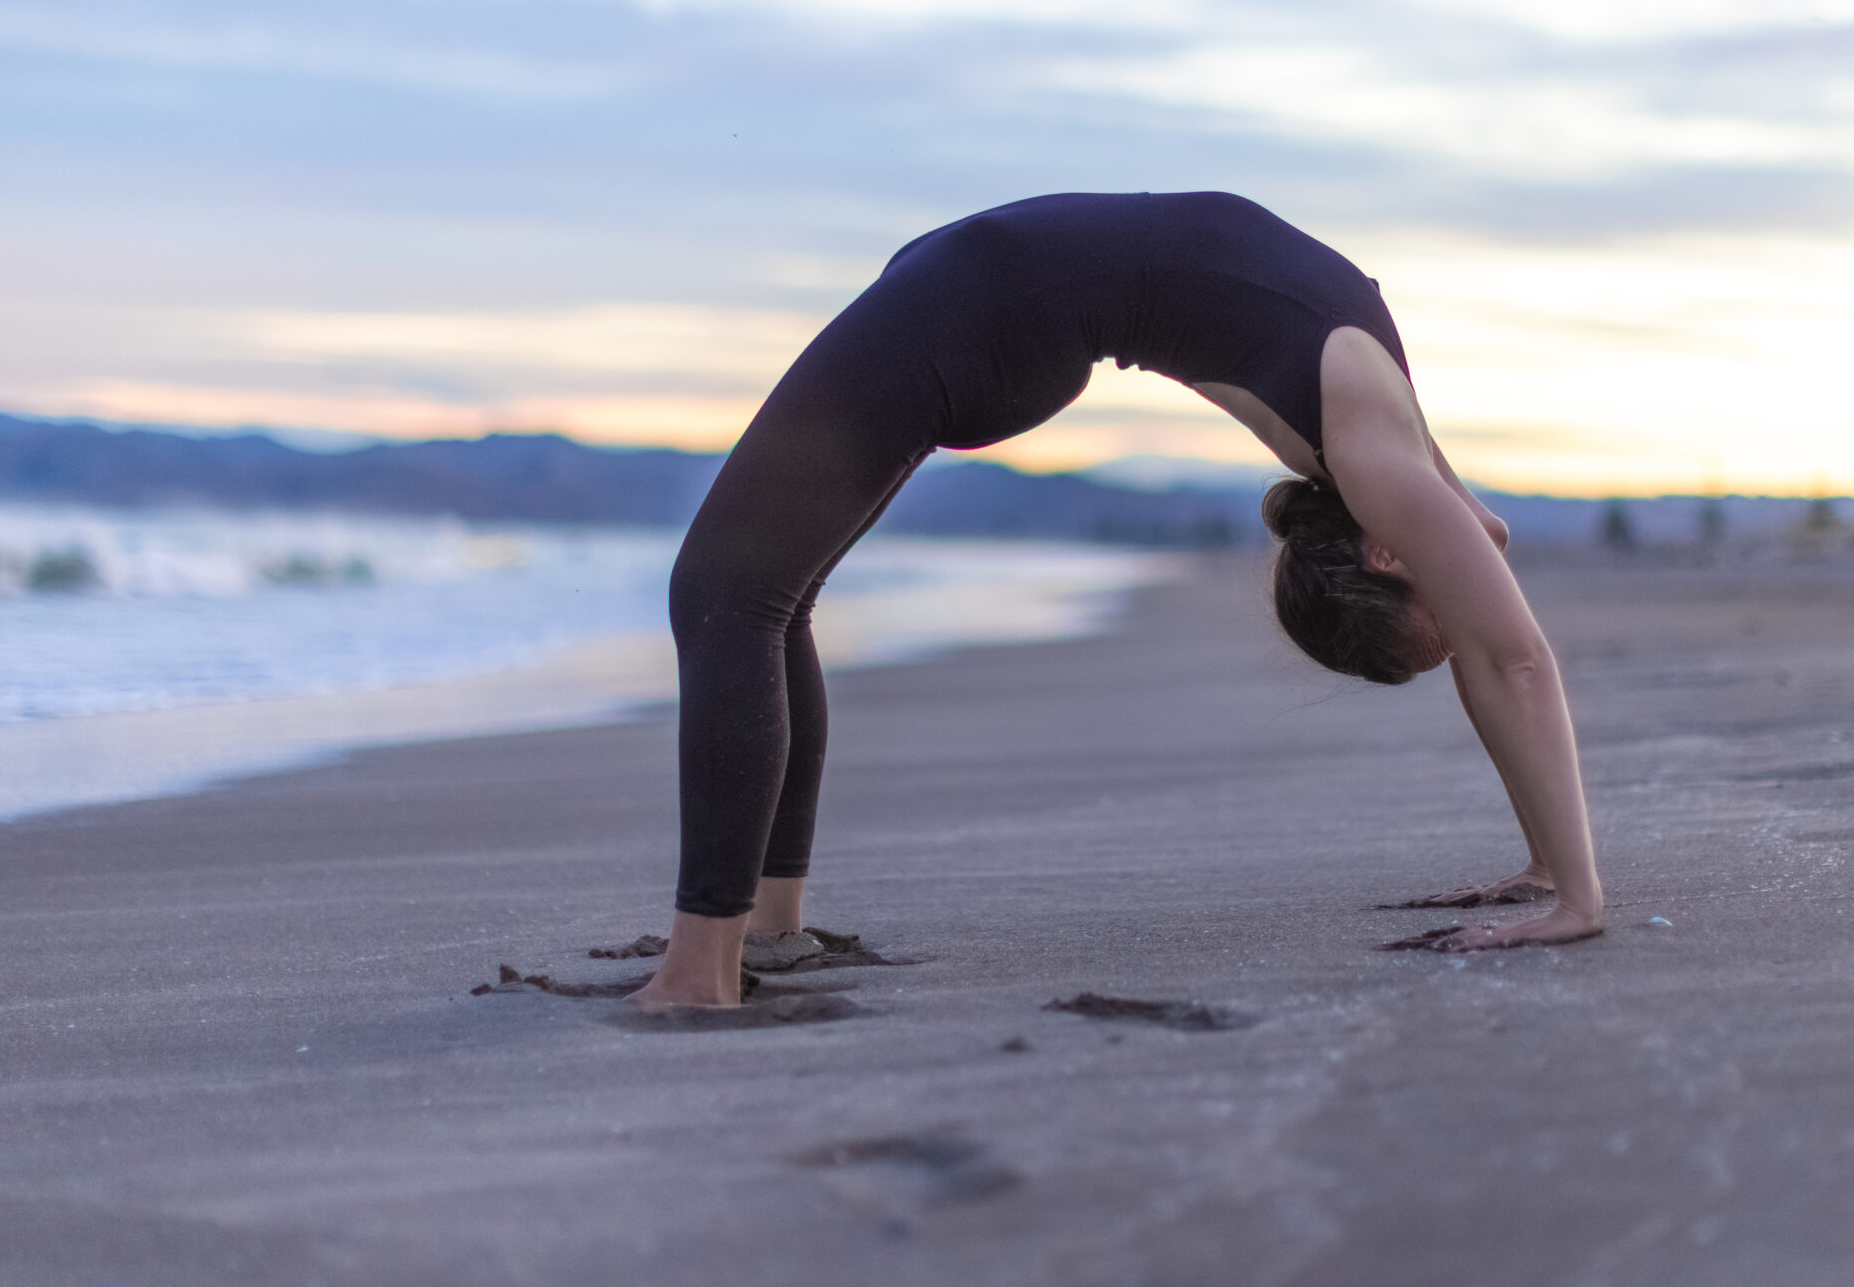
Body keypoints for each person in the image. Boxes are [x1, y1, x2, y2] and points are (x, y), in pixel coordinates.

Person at [634, 192, 1604, 1008]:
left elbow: (1492, 592)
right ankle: (736, 945)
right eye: (1436, 637)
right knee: (749, 595)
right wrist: (1570, 891)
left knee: (740, 596)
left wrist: (1556, 875)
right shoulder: (1379, 455)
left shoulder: (1383, 443)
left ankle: (718, 954)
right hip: (987, 299)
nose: (1465, 615)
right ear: (1389, 555)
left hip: (993, 298)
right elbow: (1508, 643)